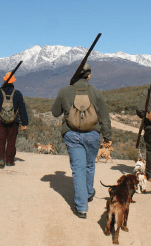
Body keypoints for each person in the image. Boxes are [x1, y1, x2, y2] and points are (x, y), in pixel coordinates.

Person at [51, 64, 112, 219]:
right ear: (89, 75)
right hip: (92, 135)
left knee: (78, 169)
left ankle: (82, 207)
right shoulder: (96, 93)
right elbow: (104, 117)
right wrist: (108, 137)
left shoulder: (65, 91)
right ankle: (89, 192)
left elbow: (55, 112)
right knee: (90, 165)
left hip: (71, 134)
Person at [0, 72, 29, 168]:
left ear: (4, 80)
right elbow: (22, 108)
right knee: (11, 140)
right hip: (14, 121)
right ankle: (10, 161)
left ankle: (1, 159)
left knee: (0, 140)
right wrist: (24, 123)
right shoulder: (17, 93)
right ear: (13, 82)